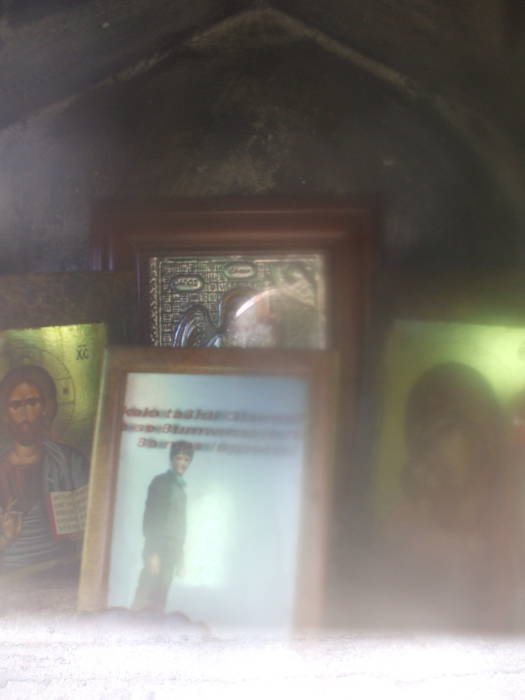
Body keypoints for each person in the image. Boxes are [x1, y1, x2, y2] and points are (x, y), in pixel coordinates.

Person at [0, 364, 88, 570]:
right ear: (5, 413)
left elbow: (97, 521)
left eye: (32, 402)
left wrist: (84, 530)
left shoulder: (70, 462)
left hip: (62, 569)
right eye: (15, 405)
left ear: (45, 408)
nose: (24, 413)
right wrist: (5, 538)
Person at [133, 440, 193, 612]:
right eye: (179, 458)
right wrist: (153, 553)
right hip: (159, 548)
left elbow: (180, 528)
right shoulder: (161, 482)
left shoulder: (181, 489)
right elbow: (152, 518)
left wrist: (181, 560)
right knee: (145, 594)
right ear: (171, 459)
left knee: (160, 599)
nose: (182, 463)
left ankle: (151, 634)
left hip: (173, 551)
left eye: (186, 460)